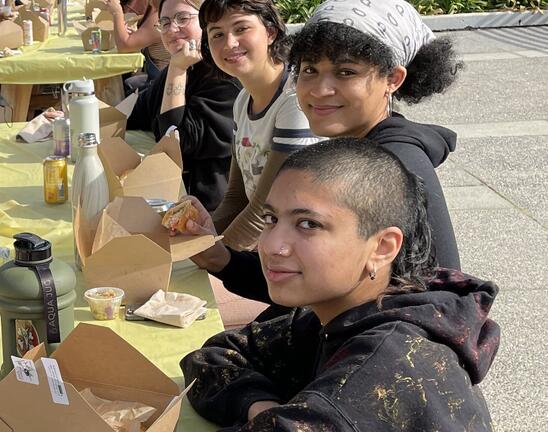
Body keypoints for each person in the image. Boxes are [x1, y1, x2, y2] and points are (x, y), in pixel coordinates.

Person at [157, 138, 538, 432]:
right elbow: (218, 354)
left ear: (383, 247)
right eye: (271, 219)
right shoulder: (347, 313)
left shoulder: (382, 373)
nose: (272, 245)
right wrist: (261, 407)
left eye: (308, 225)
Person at [180, 0, 463, 305]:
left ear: (392, 79)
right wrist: (220, 258)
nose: (320, 89)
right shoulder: (346, 150)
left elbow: (439, 304)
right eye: (310, 70)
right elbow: (316, 278)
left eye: (345, 72)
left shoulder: (396, 165)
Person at [201, 0, 320, 250]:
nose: (230, 43)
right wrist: (197, 242)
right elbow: (236, 197)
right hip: (267, 246)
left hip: (303, 251)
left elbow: (262, 212)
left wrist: (211, 260)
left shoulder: (294, 100)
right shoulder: (243, 99)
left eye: (241, 29)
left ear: (270, 32)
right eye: (217, 34)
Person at [126, 0, 240, 211]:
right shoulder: (183, 66)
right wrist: (71, 116)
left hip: (208, 212)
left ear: (206, 23)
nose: (172, 29)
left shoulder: (225, 76)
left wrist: (177, 70)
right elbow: (136, 114)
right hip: (170, 195)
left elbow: (177, 147)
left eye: (183, 18)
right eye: (165, 22)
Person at [103, 0, 173, 91]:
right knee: (129, 82)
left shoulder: (162, 15)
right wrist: (137, 36)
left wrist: (117, 12)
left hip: (162, 85)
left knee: (119, 88)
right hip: (162, 77)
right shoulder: (166, 10)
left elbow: (124, 46)